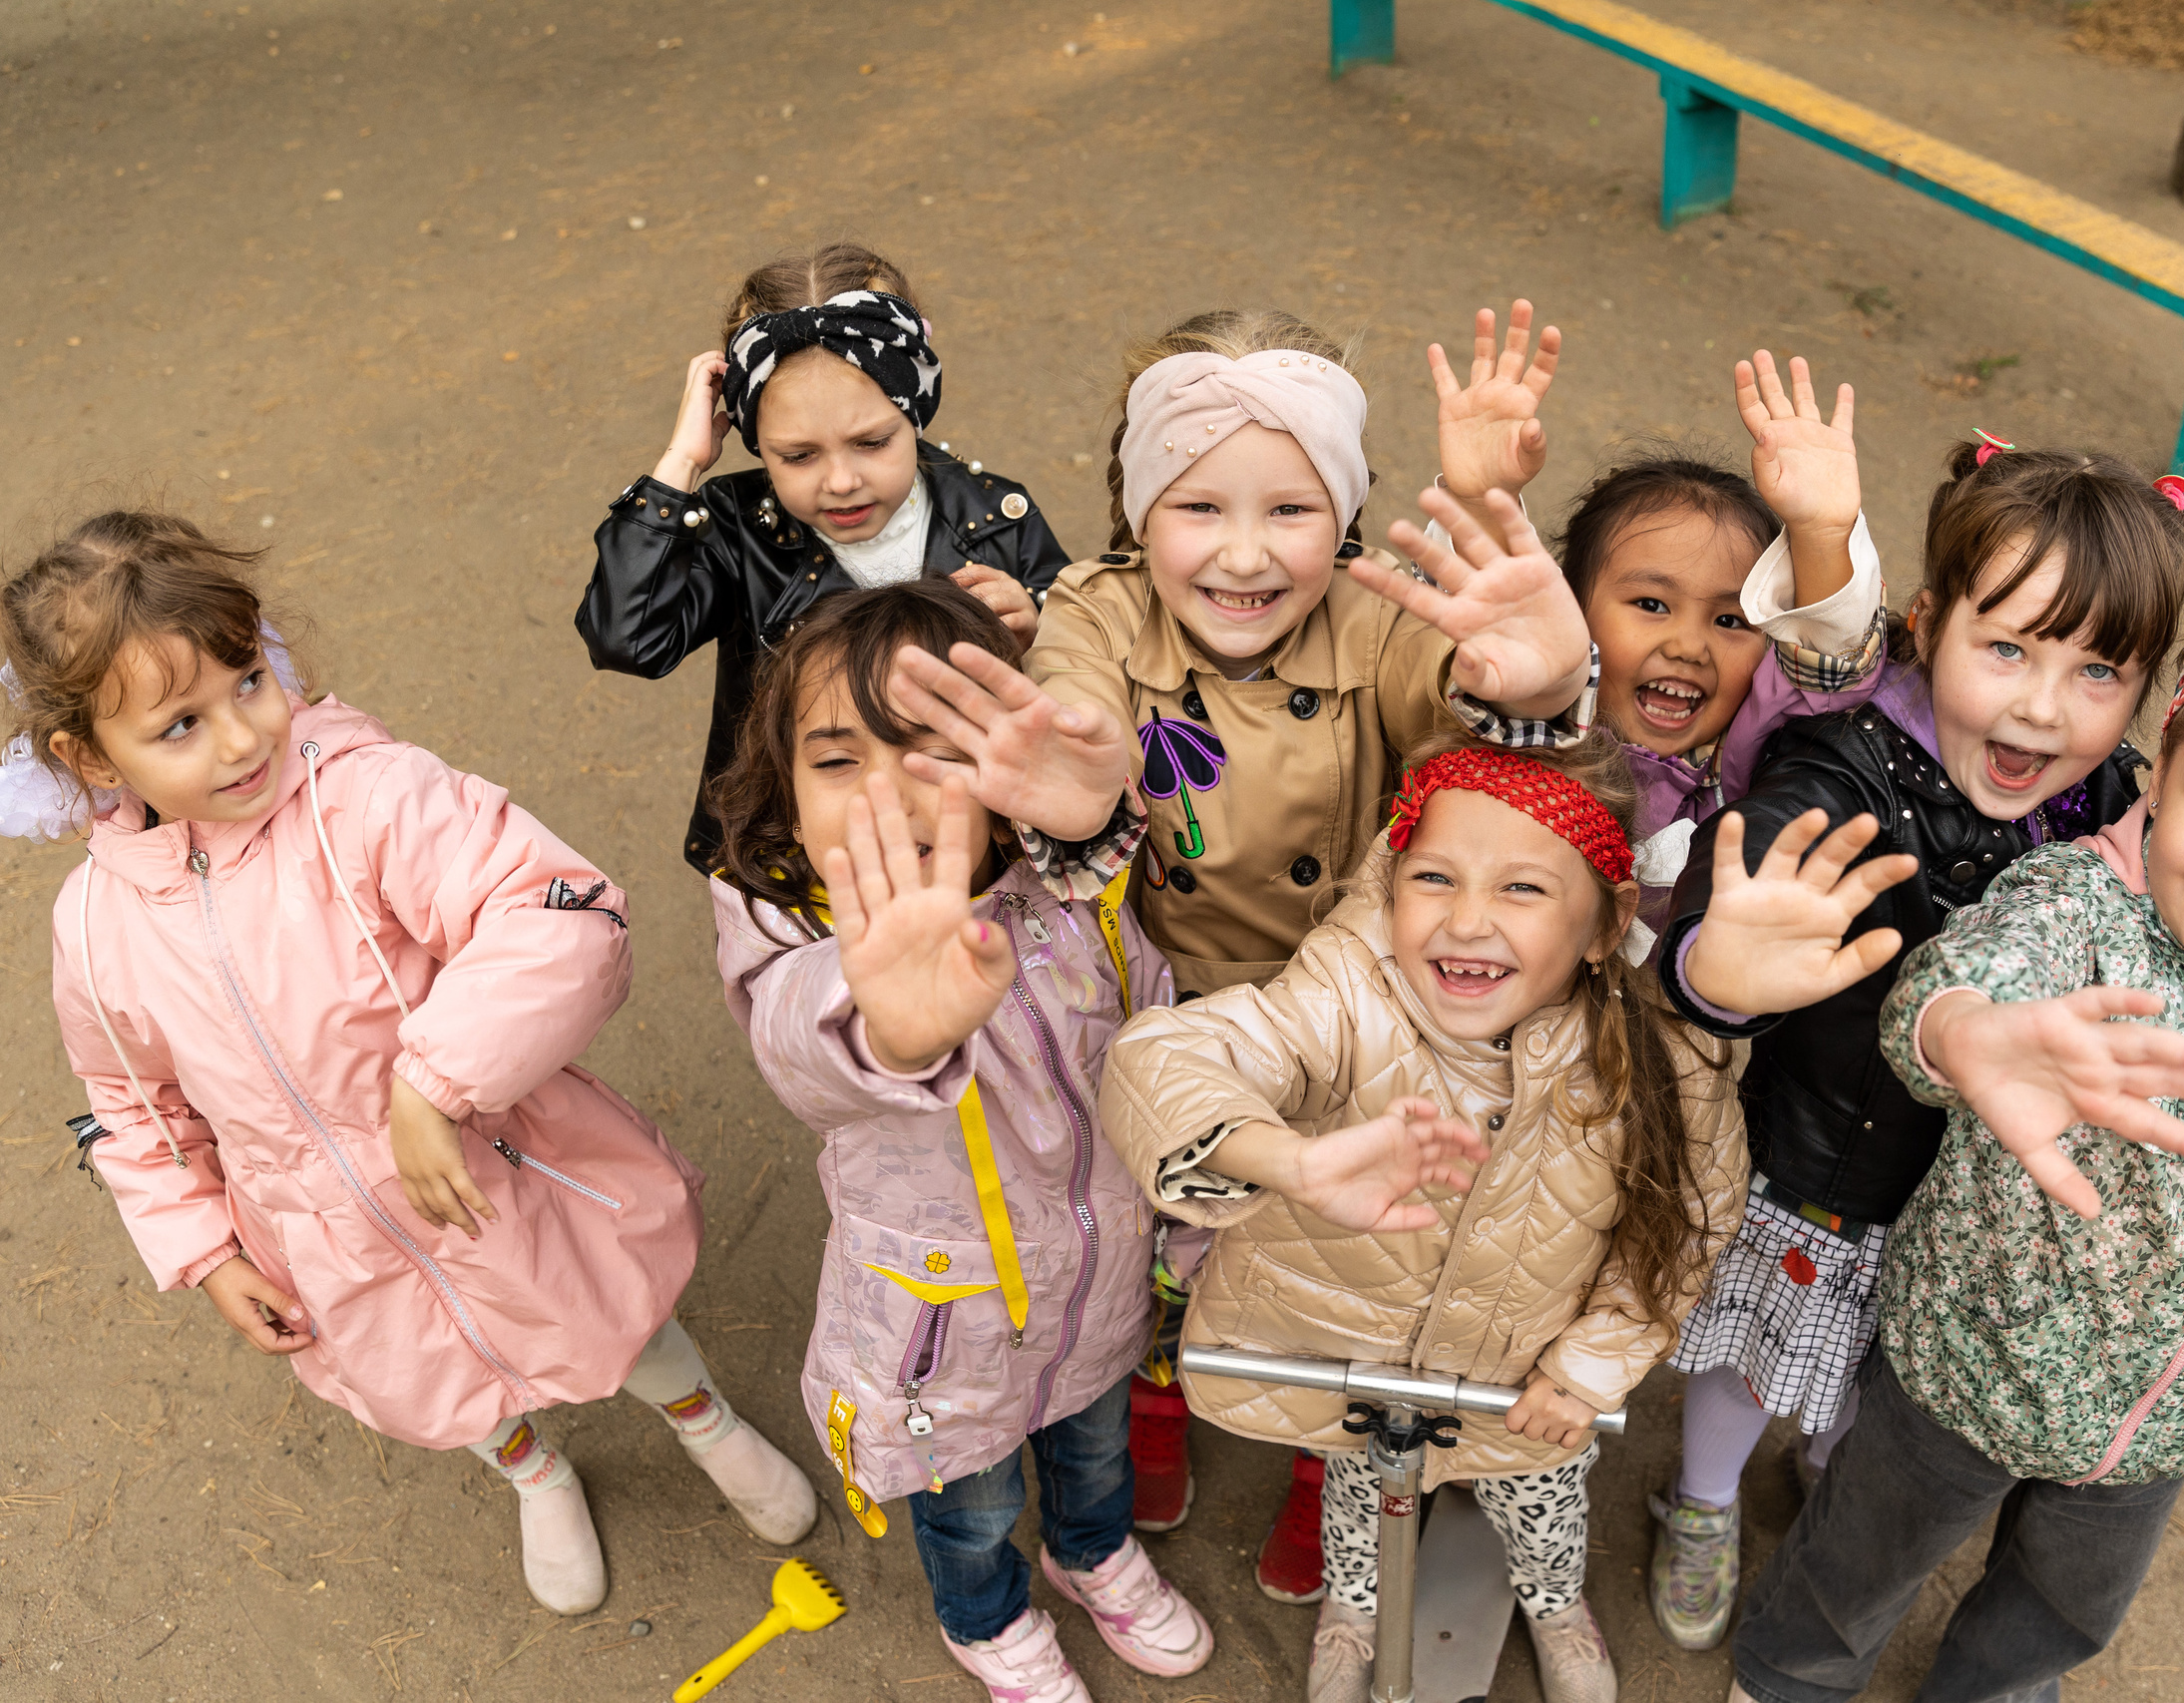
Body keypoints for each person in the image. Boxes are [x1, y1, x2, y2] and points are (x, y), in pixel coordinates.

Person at [880, 301, 1599, 1592]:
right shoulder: (1095, 615)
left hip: (1351, 1002)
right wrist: (1086, 785)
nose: (1248, 556)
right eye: (1199, 507)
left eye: (1294, 509)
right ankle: (1157, 1388)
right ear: (1137, 505)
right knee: (1165, 1220)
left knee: (1348, 1246)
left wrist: (1539, 683)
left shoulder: (1382, 619)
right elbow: (1081, 716)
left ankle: (1328, 1453)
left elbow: (1483, 710)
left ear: (1349, 513)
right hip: (1159, 991)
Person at [3, 512, 814, 1618]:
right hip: (324, 1233)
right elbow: (128, 1104)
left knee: (607, 1314)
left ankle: (703, 1420)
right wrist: (201, 1249)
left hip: (492, 1165)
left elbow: (558, 913)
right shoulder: (97, 927)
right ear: (91, 757)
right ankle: (536, 1471)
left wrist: (436, 1079)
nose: (241, 738)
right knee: (435, 1375)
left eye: (247, 681)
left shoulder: (366, 799)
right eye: (180, 724)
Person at [1722, 589, 2184, 1703]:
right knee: (1860, 1557)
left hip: (2165, 1423)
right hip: (1965, 1368)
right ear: (2161, 773)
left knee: (2060, 1610)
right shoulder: (2067, 900)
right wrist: (1964, 1033)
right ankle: (1789, 1673)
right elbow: (1943, 1002)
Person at [1647, 436, 2184, 1648]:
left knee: (1884, 1390)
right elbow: (1730, 916)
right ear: (1925, 621)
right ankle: (1697, 1499)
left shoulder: (2120, 809)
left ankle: (1829, 1483)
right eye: (2004, 646)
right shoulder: (1839, 760)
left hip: (1974, 1201)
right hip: (1811, 1163)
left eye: (2097, 670)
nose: (2040, 706)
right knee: (1749, 1361)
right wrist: (1718, 973)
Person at [1101, 733, 1760, 1703]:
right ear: (1392, 882)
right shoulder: (1342, 994)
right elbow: (1172, 1057)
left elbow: (1686, 1225)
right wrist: (1288, 1158)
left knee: (1542, 1502)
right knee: (1360, 1503)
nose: (1466, 921)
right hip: (1356, 1373)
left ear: (1602, 923)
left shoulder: (1652, 1062)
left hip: (1522, 1387)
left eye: (1523, 891)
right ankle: (1353, 1608)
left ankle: (1554, 1603)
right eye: (1435, 877)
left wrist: (1588, 1369)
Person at [706, 579, 1209, 1703]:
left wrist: (1090, 820)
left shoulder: (1070, 889)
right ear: (782, 785)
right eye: (838, 758)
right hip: (946, 1324)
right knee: (970, 1502)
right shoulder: (788, 925)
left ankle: (1086, 1554)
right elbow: (798, 1040)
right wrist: (884, 1021)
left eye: (931, 751)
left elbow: (1154, 1010)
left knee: (1094, 1447)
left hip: (1097, 1274)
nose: (886, 793)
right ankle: (984, 1619)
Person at [575, 239, 1070, 874]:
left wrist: (1036, 638)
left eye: (871, 442)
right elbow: (627, 640)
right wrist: (680, 467)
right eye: (798, 455)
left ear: (914, 406)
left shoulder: (997, 517)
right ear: (755, 442)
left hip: (965, 848)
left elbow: (1087, 683)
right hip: (790, 857)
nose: (840, 481)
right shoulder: (735, 527)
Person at [1549, 351, 1887, 968]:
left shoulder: (1748, 763)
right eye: (1651, 603)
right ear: (1571, 605)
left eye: (1731, 620)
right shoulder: (1529, 717)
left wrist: (1819, 534)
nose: (1687, 645)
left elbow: (1829, 665)